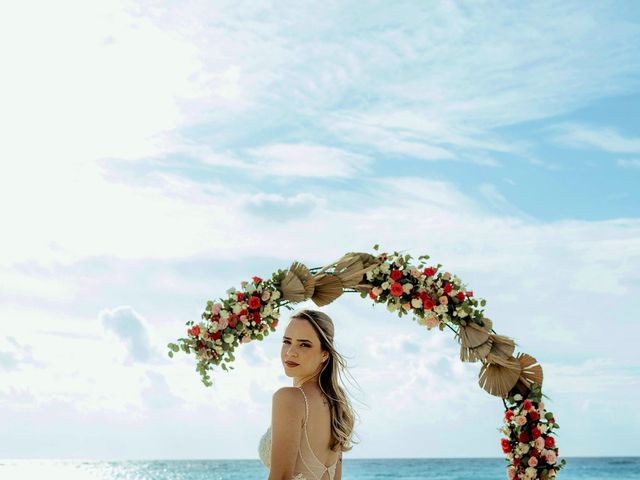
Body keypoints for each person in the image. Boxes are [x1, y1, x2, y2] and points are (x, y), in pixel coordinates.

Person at [258, 309, 359, 480]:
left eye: (304, 344)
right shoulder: (336, 400)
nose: (290, 352)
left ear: (324, 354)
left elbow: (281, 477)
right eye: (287, 341)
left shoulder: (290, 398)